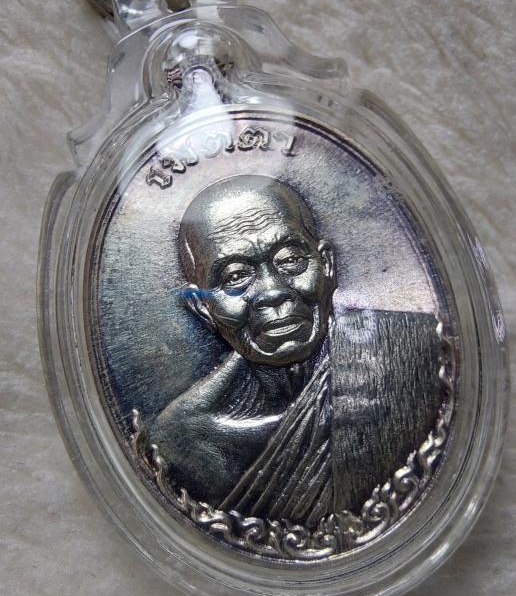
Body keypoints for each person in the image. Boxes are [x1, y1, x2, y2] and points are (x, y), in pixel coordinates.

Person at [147, 175, 442, 526]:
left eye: (290, 259)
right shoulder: (183, 441)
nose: (273, 292)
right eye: (235, 277)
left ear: (326, 265)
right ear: (202, 308)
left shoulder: (414, 357)